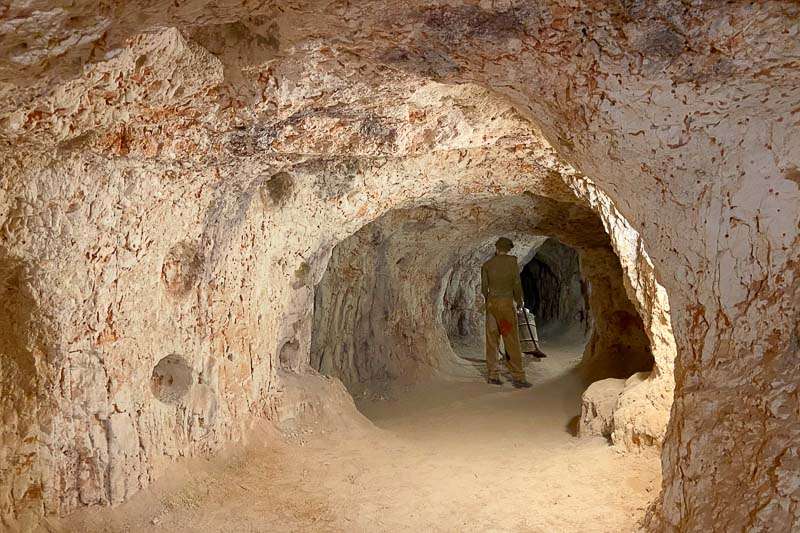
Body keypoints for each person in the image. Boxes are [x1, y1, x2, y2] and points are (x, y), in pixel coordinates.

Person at [480, 237, 532, 388]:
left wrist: (490, 300)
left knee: (492, 340)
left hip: (491, 306)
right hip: (506, 306)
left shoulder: (487, 265)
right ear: (508, 249)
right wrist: (519, 300)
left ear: (497, 248)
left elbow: (484, 288)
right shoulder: (512, 262)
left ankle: (493, 374)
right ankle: (519, 377)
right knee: (510, 339)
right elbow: (516, 283)